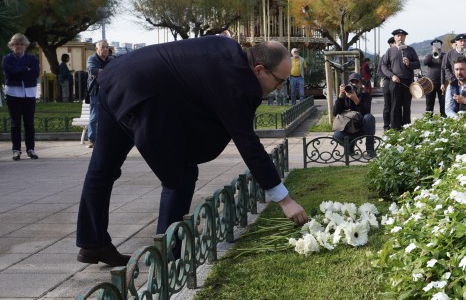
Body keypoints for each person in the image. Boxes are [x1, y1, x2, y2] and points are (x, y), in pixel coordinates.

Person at [76, 37, 308, 267]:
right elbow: (248, 144)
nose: (280, 87)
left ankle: (92, 242)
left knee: (102, 169)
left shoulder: (226, 46)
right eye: (279, 81)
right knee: (181, 174)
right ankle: (167, 254)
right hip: (142, 94)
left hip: (115, 77)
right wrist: (284, 200)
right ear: (259, 70)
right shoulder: (238, 82)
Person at [2, 33, 40, 161]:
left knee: (29, 123)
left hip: (29, 93)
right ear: (12, 45)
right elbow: (9, 72)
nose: (19, 46)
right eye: (16, 44)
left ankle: (30, 149)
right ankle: (16, 150)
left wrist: (19, 70)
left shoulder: (32, 58)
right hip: (13, 93)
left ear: (25, 45)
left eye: (21, 44)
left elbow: (35, 73)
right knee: (15, 123)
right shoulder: (7, 58)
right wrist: (25, 69)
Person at [380, 29, 420, 130]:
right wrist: (391, 75)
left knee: (406, 106)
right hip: (395, 81)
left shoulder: (411, 50)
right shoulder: (390, 51)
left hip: (407, 82)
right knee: (395, 106)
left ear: (405, 37)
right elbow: (383, 66)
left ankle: (406, 127)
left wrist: (409, 63)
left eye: (402, 36)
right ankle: (395, 128)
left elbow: (418, 64)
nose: (400, 38)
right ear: (394, 38)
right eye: (398, 36)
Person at [332, 72, 376, 158]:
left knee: (369, 117)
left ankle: (370, 150)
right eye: (352, 82)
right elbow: (335, 113)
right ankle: (350, 147)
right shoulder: (344, 96)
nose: (354, 84)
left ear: (361, 83)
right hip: (348, 128)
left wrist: (356, 99)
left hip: (360, 128)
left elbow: (366, 112)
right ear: (349, 83)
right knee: (337, 135)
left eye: (357, 82)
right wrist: (340, 96)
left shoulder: (365, 95)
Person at [86, 40, 113, 148]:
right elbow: (93, 70)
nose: (105, 49)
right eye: (103, 47)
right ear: (97, 49)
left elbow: (115, 70)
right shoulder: (92, 59)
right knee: (94, 116)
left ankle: (108, 137)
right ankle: (92, 139)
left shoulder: (111, 60)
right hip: (95, 91)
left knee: (111, 115)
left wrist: (101, 72)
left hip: (108, 91)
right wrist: (107, 71)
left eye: (107, 47)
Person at [423, 39, 446, 117]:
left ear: (441, 46)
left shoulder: (444, 55)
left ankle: (443, 118)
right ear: (432, 46)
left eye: (438, 45)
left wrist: (441, 55)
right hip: (430, 83)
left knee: (443, 103)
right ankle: (429, 120)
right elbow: (425, 63)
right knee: (429, 103)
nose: (437, 47)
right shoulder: (429, 55)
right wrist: (433, 53)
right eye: (435, 45)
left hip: (442, 82)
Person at [378, 37, 395, 131]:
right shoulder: (384, 56)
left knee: (396, 105)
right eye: (394, 43)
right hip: (388, 82)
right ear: (390, 44)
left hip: (397, 83)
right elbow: (379, 71)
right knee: (387, 105)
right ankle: (386, 125)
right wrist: (388, 77)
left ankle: (395, 124)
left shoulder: (400, 55)